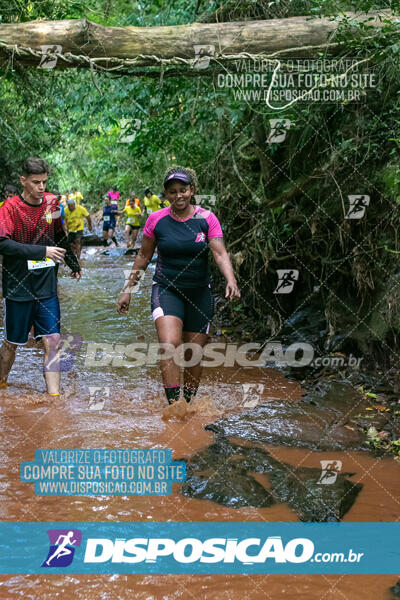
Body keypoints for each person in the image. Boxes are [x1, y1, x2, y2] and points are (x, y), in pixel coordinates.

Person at [117, 165, 240, 405]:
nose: (178, 196)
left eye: (183, 190)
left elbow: (220, 254)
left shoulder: (207, 219)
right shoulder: (156, 220)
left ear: (192, 190)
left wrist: (231, 280)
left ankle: (190, 403)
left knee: (194, 354)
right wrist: (128, 291)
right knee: (169, 345)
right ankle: (175, 406)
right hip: (166, 289)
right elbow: (143, 256)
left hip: (199, 292)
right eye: (172, 192)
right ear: (166, 195)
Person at [0, 157, 81, 396]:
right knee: (13, 343)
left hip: (46, 284)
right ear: (23, 181)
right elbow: (3, 244)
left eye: (45, 182)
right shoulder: (10, 208)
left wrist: (72, 262)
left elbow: (58, 235)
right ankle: (2, 385)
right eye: (36, 182)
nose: (41, 188)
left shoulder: (52, 202)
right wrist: (42, 251)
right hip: (18, 285)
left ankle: (54, 399)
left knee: (53, 340)